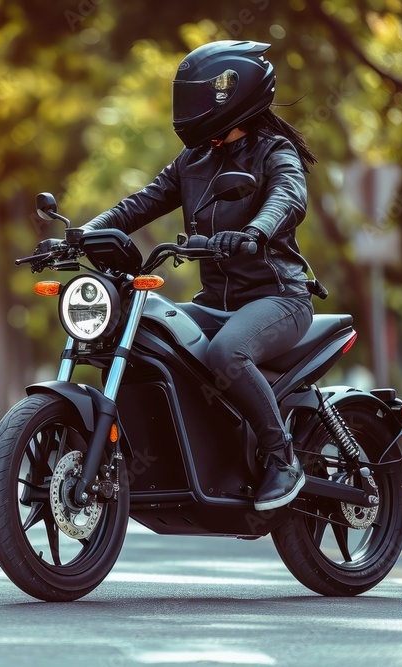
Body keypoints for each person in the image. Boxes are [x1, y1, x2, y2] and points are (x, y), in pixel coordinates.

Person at [80, 40, 319, 511]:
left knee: (227, 350)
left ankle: (282, 456)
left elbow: (288, 197)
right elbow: (141, 203)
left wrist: (255, 230)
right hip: (216, 303)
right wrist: (82, 234)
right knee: (150, 331)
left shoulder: (275, 152)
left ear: (234, 95)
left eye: (198, 96)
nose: (187, 108)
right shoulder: (193, 162)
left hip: (279, 299)